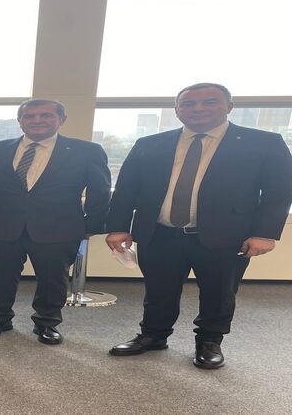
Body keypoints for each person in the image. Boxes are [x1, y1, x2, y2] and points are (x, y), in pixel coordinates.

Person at [106, 83, 292, 369]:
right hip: (160, 233)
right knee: (158, 290)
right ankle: (153, 335)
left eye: (209, 102)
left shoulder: (263, 143)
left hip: (227, 236)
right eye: (189, 103)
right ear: (177, 110)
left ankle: (209, 341)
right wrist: (118, 227)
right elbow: (127, 189)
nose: (198, 108)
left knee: (219, 292)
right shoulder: (150, 144)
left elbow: (279, 191)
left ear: (229, 106)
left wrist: (265, 233)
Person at [0, 100, 110, 344]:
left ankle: (47, 322)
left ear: (61, 119)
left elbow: (100, 191)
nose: (37, 120)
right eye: (29, 116)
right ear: (20, 121)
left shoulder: (86, 151)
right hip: (2, 226)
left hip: (59, 227)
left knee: (52, 279)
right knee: (0, 276)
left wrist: (91, 226)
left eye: (45, 115)